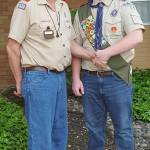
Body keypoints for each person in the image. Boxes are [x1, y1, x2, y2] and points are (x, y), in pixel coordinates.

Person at [6, 0, 95, 149]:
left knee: (59, 135)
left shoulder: (63, 6)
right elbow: (12, 47)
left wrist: (92, 55)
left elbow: (69, 42)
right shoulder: (27, 6)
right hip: (38, 79)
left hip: (59, 78)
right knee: (41, 138)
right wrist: (19, 80)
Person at [72, 0, 145, 149]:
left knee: (123, 129)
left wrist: (107, 53)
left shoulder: (122, 6)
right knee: (93, 129)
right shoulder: (82, 12)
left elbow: (137, 36)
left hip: (116, 78)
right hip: (89, 79)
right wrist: (75, 78)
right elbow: (75, 47)